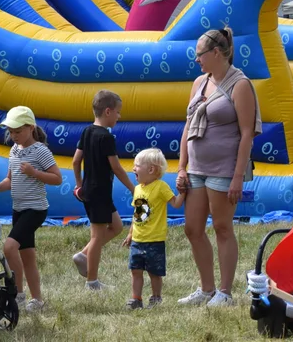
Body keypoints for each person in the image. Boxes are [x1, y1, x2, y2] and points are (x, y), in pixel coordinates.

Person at [177, 27, 259, 308]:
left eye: (200, 54)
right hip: (196, 167)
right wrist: (181, 168)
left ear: (215, 53)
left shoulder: (241, 85)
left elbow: (247, 133)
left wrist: (238, 177)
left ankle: (225, 292)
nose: (196, 59)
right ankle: (207, 289)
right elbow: (188, 126)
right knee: (192, 229)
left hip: (224, 170)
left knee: (223, 227)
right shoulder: (199, 81)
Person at [0, 106, 61, 313]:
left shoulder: (40, 151)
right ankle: (37, 299)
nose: (13, 136)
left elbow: (57, 178)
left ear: (30, 128)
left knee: (9, 247)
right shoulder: (14, 150)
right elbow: (10, 179)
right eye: (10, 132)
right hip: (19, 209)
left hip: (35, 209)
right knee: (28, 256)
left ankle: (18, 293)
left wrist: (34, 172)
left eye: (18, 131)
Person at [71, 90, 134, 291]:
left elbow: (75, 161)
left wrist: (79, 183)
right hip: (99, 192)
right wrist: (133, 188)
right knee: (97, 237)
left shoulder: (87, 131)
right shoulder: (106, 137)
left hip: (92, 191)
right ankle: (92, 282)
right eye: (118, 112)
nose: (119, 116)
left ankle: (83, 255)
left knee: (116, 226)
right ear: (108, 111)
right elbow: (116, 167)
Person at [123, 148, 185, 310]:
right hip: (138, 239)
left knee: (154, 272)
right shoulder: (137, 189)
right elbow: (136, 214)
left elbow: (176, 204)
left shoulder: (161, 187)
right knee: (135, 270)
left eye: (137, 165)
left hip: (155, 240)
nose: (133, 168)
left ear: (151, 169)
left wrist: (183, 193)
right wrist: (130, 233)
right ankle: (136, 298)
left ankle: (156, 297)